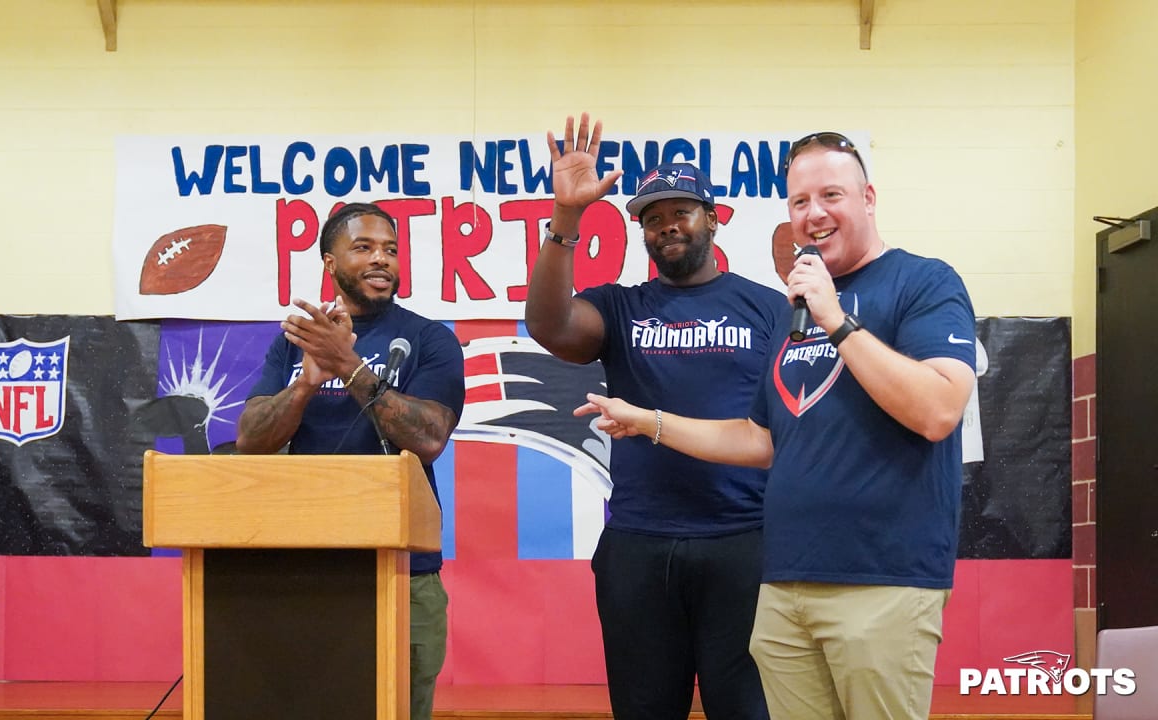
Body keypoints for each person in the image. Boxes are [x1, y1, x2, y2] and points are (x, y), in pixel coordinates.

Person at [576, 131, 977, 720]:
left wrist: (836, 320)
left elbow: (940, 410)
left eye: (831, 195)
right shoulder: (795, 311)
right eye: (798, 202)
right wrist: (650, 421)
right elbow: (761, 440)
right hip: (784, 586)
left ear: (868, 197)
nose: (813, 214)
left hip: (880, 581)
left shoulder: (922, 282)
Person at [525, 113, 781, 720]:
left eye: (681, 212)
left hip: (745, 541)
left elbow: (788, 424)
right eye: (652, 217)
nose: (666, 226)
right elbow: (549, 325)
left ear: (712, 220)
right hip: (640, 543)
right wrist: (567, 217)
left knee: (747, 710)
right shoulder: (621, 305)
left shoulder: (768, 308)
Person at [236, 202, 465, 720]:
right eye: (362, 248)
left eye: (390, 249)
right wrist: (306, 383)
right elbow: (250, 441)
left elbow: (429, 438)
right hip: (312, 570)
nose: (381, 259)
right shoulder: (295, 343)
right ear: (329, 262)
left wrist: (349, 365)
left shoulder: (430, 338)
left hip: (404, 576)